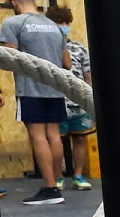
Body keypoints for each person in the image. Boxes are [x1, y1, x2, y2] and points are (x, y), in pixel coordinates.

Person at [0, 0, 72, 205]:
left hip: (30, 89)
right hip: (55, 89)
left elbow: (8, 57)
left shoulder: (13, 23)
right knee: (54, 135)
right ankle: (55, 185)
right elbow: (67, 63)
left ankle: (50, 189)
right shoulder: (54, 26)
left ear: (15, 2)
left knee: (38, 136)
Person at [46, 6, 93, 191]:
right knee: (55, 139)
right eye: (60, 22)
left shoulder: (80, 48)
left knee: (80, 140)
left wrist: (90, 96)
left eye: (67, 23)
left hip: (78, 102)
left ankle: (78, 176)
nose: (64, 26)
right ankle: (57, 176)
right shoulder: (47, 50)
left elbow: (87, 75)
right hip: (56, 100)